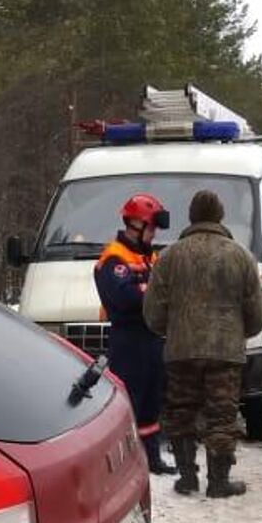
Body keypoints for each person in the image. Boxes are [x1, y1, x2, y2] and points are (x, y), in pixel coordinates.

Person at [144, 188, 262, 498]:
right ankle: (219, 481)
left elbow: (153, 311)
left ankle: (187, 478)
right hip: (225, 351)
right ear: (220, 216)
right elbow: (257, 312)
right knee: (222, 415)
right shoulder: (240, 255)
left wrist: (171, 330)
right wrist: (239, 332)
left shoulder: (169, 256)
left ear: (191, 217)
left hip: (181, 349)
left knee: (181, 412)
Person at [95, 192, 173, 474]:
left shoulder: (149, 257)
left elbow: (162, 292)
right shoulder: (115, 258)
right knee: (131, 402)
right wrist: (154, 293)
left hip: (152, 339)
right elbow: (126, 299)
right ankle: (127, 463)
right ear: (137, 225)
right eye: (152, 228)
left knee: (152, 401)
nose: (154, 234)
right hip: (128, 341)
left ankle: (152, 459)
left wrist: (152, 293)